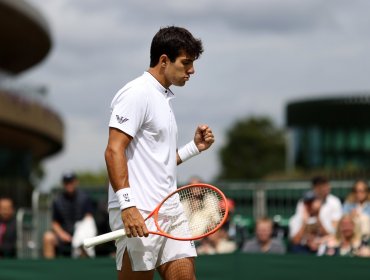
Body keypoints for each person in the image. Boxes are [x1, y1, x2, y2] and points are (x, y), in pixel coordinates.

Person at [105, 26, 214, 280]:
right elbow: (113, 151)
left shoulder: (162, 97)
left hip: (170, 210)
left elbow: (159, 162)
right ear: (164, 60)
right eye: (186, 63)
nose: (192, 71)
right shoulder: (136, 93)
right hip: (138, 211)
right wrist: (128, 206)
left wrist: (193, 148)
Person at [43, 172, 96, 259]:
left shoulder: (85, 198)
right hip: (64, 236)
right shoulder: (58, 201)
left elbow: (89, 219)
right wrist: (62, 234)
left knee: (82, 242)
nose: (69, 185)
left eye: (71, 182)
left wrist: (78, 235)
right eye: (66, 183)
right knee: (48, 237)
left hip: (81, 235)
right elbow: (55, 223)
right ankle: (50, 270)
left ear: (76, 182)